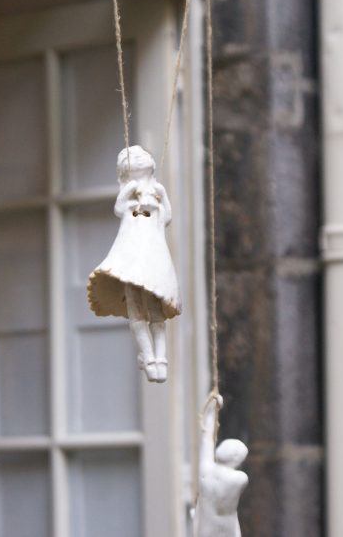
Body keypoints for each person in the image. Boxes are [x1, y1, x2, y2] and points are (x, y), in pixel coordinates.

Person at [87, 146, 181, 382]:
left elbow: (167, 217)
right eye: (133, 158)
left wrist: (163, 196)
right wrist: (128, 192)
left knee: (156, 308)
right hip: (131, 253)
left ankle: (160, 358)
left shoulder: (157, 190)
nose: (140, 159)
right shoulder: (129, 189)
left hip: (153, 253)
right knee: (136, 309)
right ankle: (148, 357)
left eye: (143, 156)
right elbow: (119, 209)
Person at [193, 394, 249, 537]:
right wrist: (213, 409)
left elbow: (207, 439)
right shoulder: (240, 479)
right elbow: (207, 439)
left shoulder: (206, 470)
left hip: (206, 529)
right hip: (228, 529)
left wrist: (212, 410)